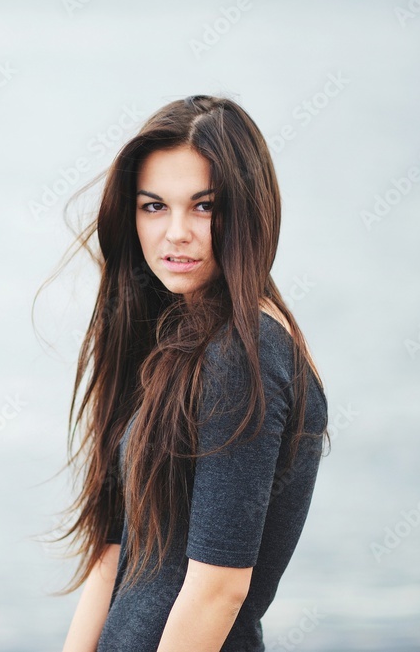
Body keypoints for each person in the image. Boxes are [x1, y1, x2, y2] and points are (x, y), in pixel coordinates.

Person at [39, 95, 329, 651]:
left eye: (204, 206)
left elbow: (218, 588)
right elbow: (114, 557)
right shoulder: (172, 339)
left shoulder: (245, 356)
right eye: (154, 207)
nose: (176, 232)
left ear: (250, 210)